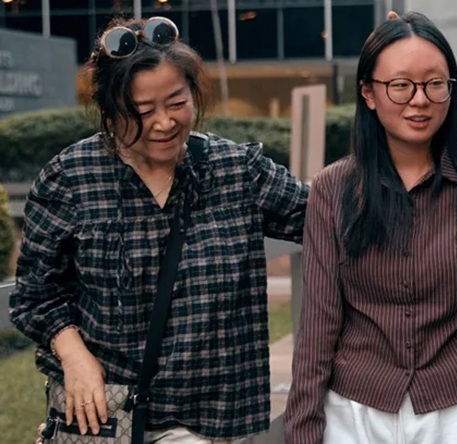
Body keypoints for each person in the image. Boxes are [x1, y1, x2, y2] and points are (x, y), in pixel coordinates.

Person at [10, 16, 307, 444]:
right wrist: (73, 356)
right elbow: (35, 293)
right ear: (110, 113)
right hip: (105, 418)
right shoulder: (71, 178)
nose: (164, 123)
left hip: (208, 421)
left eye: (176, 102)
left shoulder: (235, 170)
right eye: (143, 112)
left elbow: (329, 214)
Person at [283, 11, 457, 444]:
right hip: (355, 416)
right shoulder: (333, 189)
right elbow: (316, 332)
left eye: (434, 84)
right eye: (400, 85)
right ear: (368, 92)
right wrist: (303, 433)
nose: (419, 100)